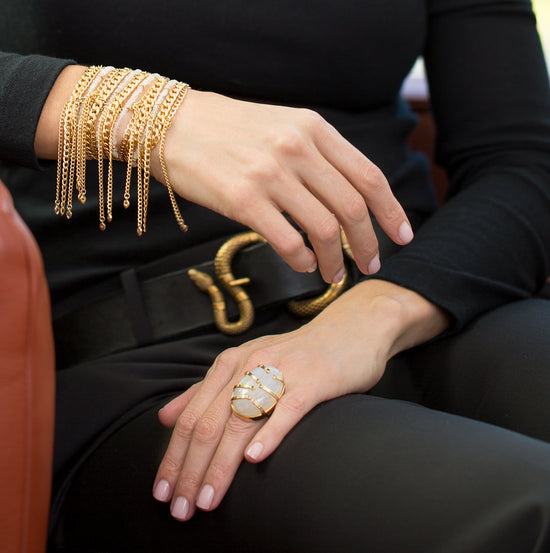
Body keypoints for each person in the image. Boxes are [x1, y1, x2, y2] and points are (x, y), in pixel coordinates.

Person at [1, 1, 550, 551]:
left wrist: (379, 315)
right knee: (526, 509)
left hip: (426, 300)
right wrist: (137, 112)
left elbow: (521, 160)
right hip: (149, 360)